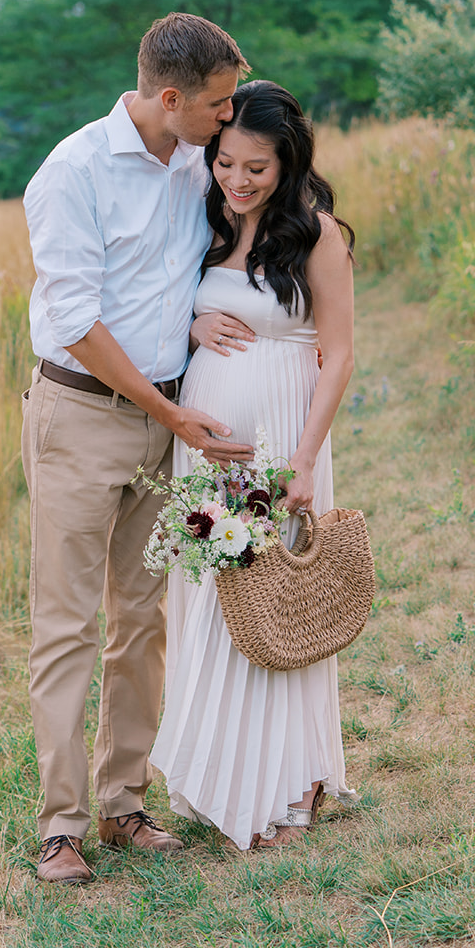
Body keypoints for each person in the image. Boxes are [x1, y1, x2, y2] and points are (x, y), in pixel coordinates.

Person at [20, 13, 253, 884]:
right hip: (81, 418)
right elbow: (76, 319)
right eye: (218, 105)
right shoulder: (73, 171)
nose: (228, 120)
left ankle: (124, 805)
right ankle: (60, 826)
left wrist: (196, 322)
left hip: (166, 421)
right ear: (168, 98)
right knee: (67, 625)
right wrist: (168, 408)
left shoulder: (198, 163)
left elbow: (179, 275)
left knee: (143, 619)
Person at [150, 79, 358, 851]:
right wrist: (195, 320)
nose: (236, 181)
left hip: (279, 437)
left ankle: (287, 781)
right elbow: (164, 303)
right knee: (213, 599)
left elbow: (335, 358)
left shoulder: (318, 234)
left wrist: (303, 461)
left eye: (256, 170)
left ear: (288, 166)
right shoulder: (209, 221)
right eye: (225, 163)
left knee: (276, 601)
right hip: (204, 445)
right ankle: (223, 776)